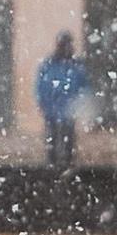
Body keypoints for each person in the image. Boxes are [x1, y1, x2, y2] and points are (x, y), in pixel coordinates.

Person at [35, 27, 91, 166]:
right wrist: (44, 103)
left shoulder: (75, 65)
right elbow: (41, 85)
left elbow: (83, 85)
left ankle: (67, 162)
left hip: (68, 108)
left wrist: (80, 102)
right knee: (53, 136)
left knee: (68, 136)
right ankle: (53, 162)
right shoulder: (50, 64)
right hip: (54, 108)